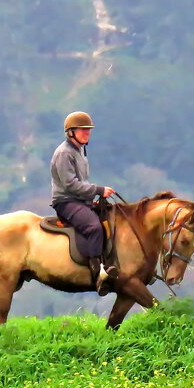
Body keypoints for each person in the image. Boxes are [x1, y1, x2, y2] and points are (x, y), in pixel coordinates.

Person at [50, 111, 117, 295]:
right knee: (94, 227)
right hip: (66, 201)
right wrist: (98, 190)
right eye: (83, 130)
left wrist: (96, 195)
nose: (87, 133)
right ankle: (97, 274)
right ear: (70, 132)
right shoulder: (64, 153)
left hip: (80, 200)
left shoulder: (80, 150)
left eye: (88, 130)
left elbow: (81, 183)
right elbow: (70, 185)